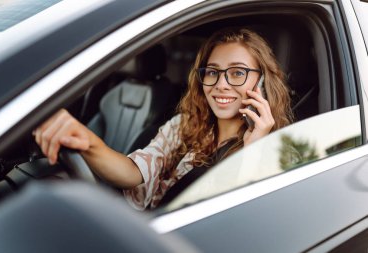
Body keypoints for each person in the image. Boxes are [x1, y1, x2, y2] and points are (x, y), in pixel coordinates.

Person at [34, 28, 293, 210]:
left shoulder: (280, 150)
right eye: (212, 72)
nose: (221, 85)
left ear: (261, 80)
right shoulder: (183, 125)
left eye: (237, 73)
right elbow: (134, 173)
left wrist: (255, 148)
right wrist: (87, 141)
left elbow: (244, 220)